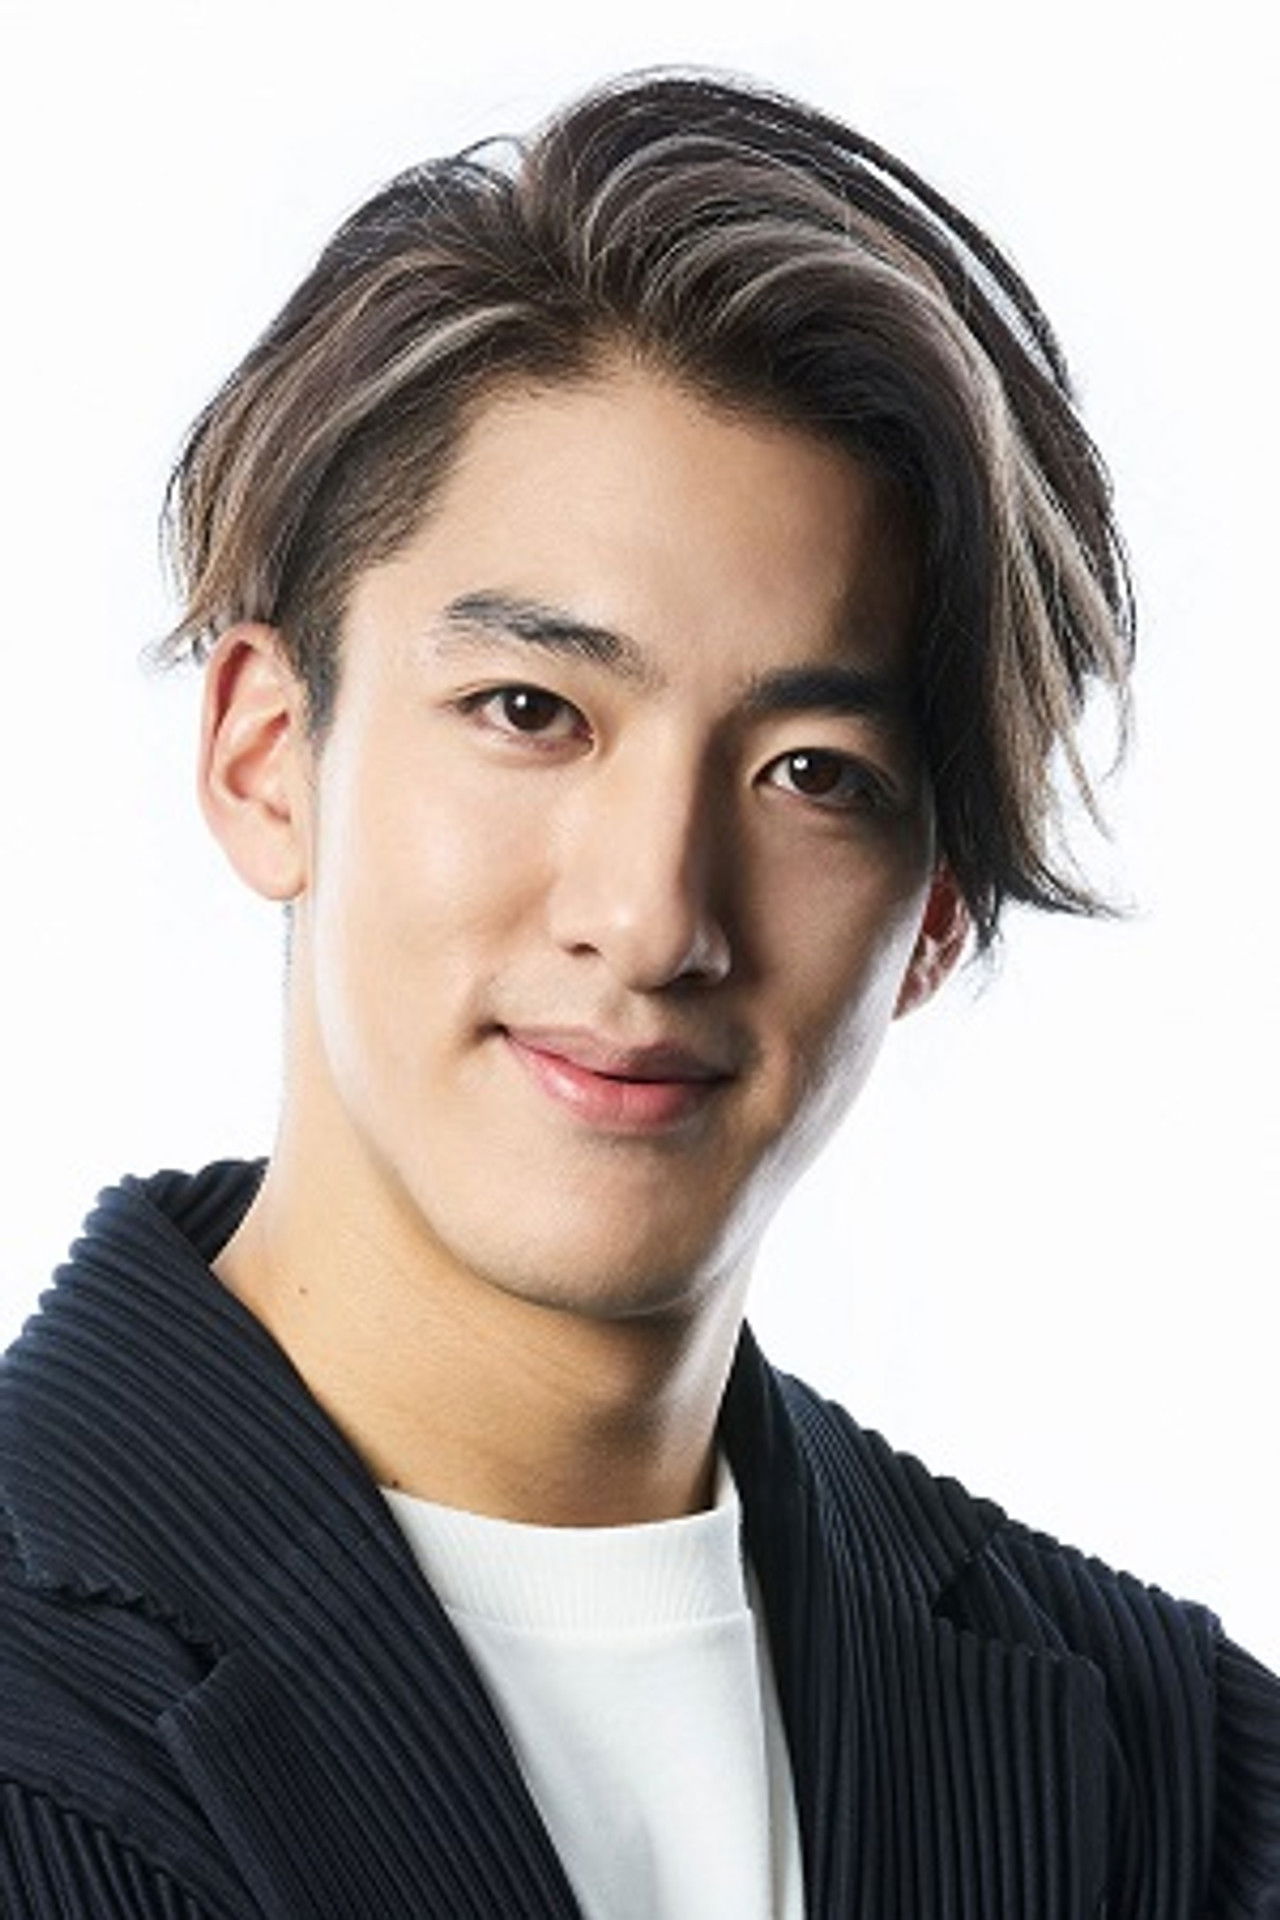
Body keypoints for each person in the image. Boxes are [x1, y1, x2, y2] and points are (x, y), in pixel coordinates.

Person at [1, 68, 1276, 1919]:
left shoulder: (1171, 1781)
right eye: (531, 711)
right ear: (269, 757)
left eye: (813, 773)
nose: (655, 913)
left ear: (938, 910)